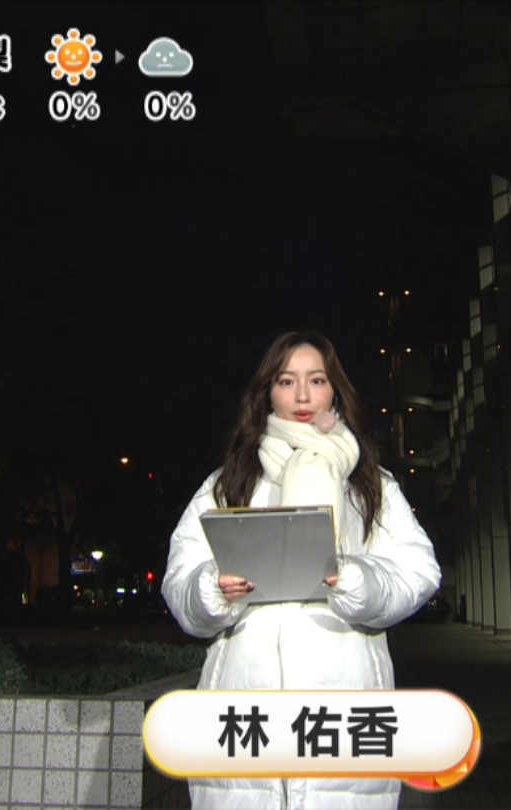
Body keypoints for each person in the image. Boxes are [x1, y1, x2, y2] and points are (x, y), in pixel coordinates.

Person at [162, 330, 442, 810]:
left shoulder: (371, 486)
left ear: (335, 391)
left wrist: (358, 581)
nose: (303, 396)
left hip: (345, 716)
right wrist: (213, 589)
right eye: (287, 381)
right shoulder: (228, 484)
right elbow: (179, 580)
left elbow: (419, 571)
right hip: (244, 719)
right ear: (267, 393)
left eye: (317, 380)